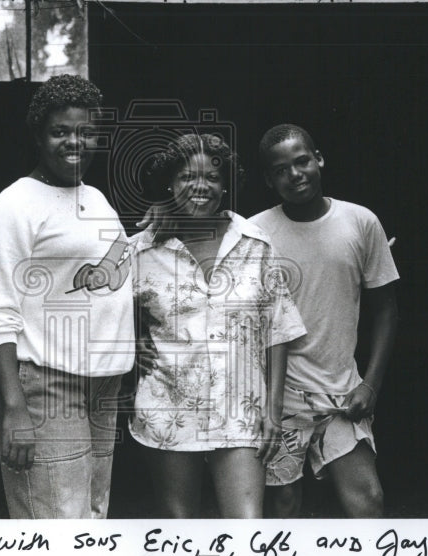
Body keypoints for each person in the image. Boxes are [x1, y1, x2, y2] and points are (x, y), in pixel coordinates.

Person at [0, 75, 135, 519]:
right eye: (60, 131)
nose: (74, 142)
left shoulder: (94, 198)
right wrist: (15, 407)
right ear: (38, 136)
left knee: (91, 516)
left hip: (102, 383)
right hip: (46, 381)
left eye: (85, 132)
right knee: (57, 524)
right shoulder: (14, 206)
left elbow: (117, 264)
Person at [130, 133, 306, 518]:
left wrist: (273, 410)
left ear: (225, 184)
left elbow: (278, 329)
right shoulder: (141, 249)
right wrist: (130, 343)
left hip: (241, 409)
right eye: (186, 178)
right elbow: (100, 306)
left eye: (211, 177)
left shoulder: (255, 243)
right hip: (168, 408)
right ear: (169, 185)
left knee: (247, 527)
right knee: (180, 530)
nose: (201, 186)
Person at [251, 124, 399, 518]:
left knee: (367, 501)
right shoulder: (255, 232)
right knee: (283, 505)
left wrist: (371, 384)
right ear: (269, 180)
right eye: (281, 170)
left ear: (319, 159)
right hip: (279, 397)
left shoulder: (360, 222)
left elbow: (386, 309)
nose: (295, 174)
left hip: (342, 393)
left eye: (302, 161)